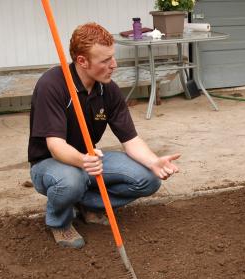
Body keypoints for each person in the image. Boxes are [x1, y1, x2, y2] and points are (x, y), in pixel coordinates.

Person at [28, 22, 180, 249]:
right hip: (50, 164)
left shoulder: (107, 89)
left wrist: (154, 161)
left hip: (89, 158)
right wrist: (83, 162)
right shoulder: (53, 85)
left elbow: (130, 139)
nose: (114, 65)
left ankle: (89, 206)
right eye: (105, 60)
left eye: (113, 57)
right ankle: (60, 221)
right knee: (72, 180)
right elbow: (55, 146)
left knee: (148, 179)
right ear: (82, 61)